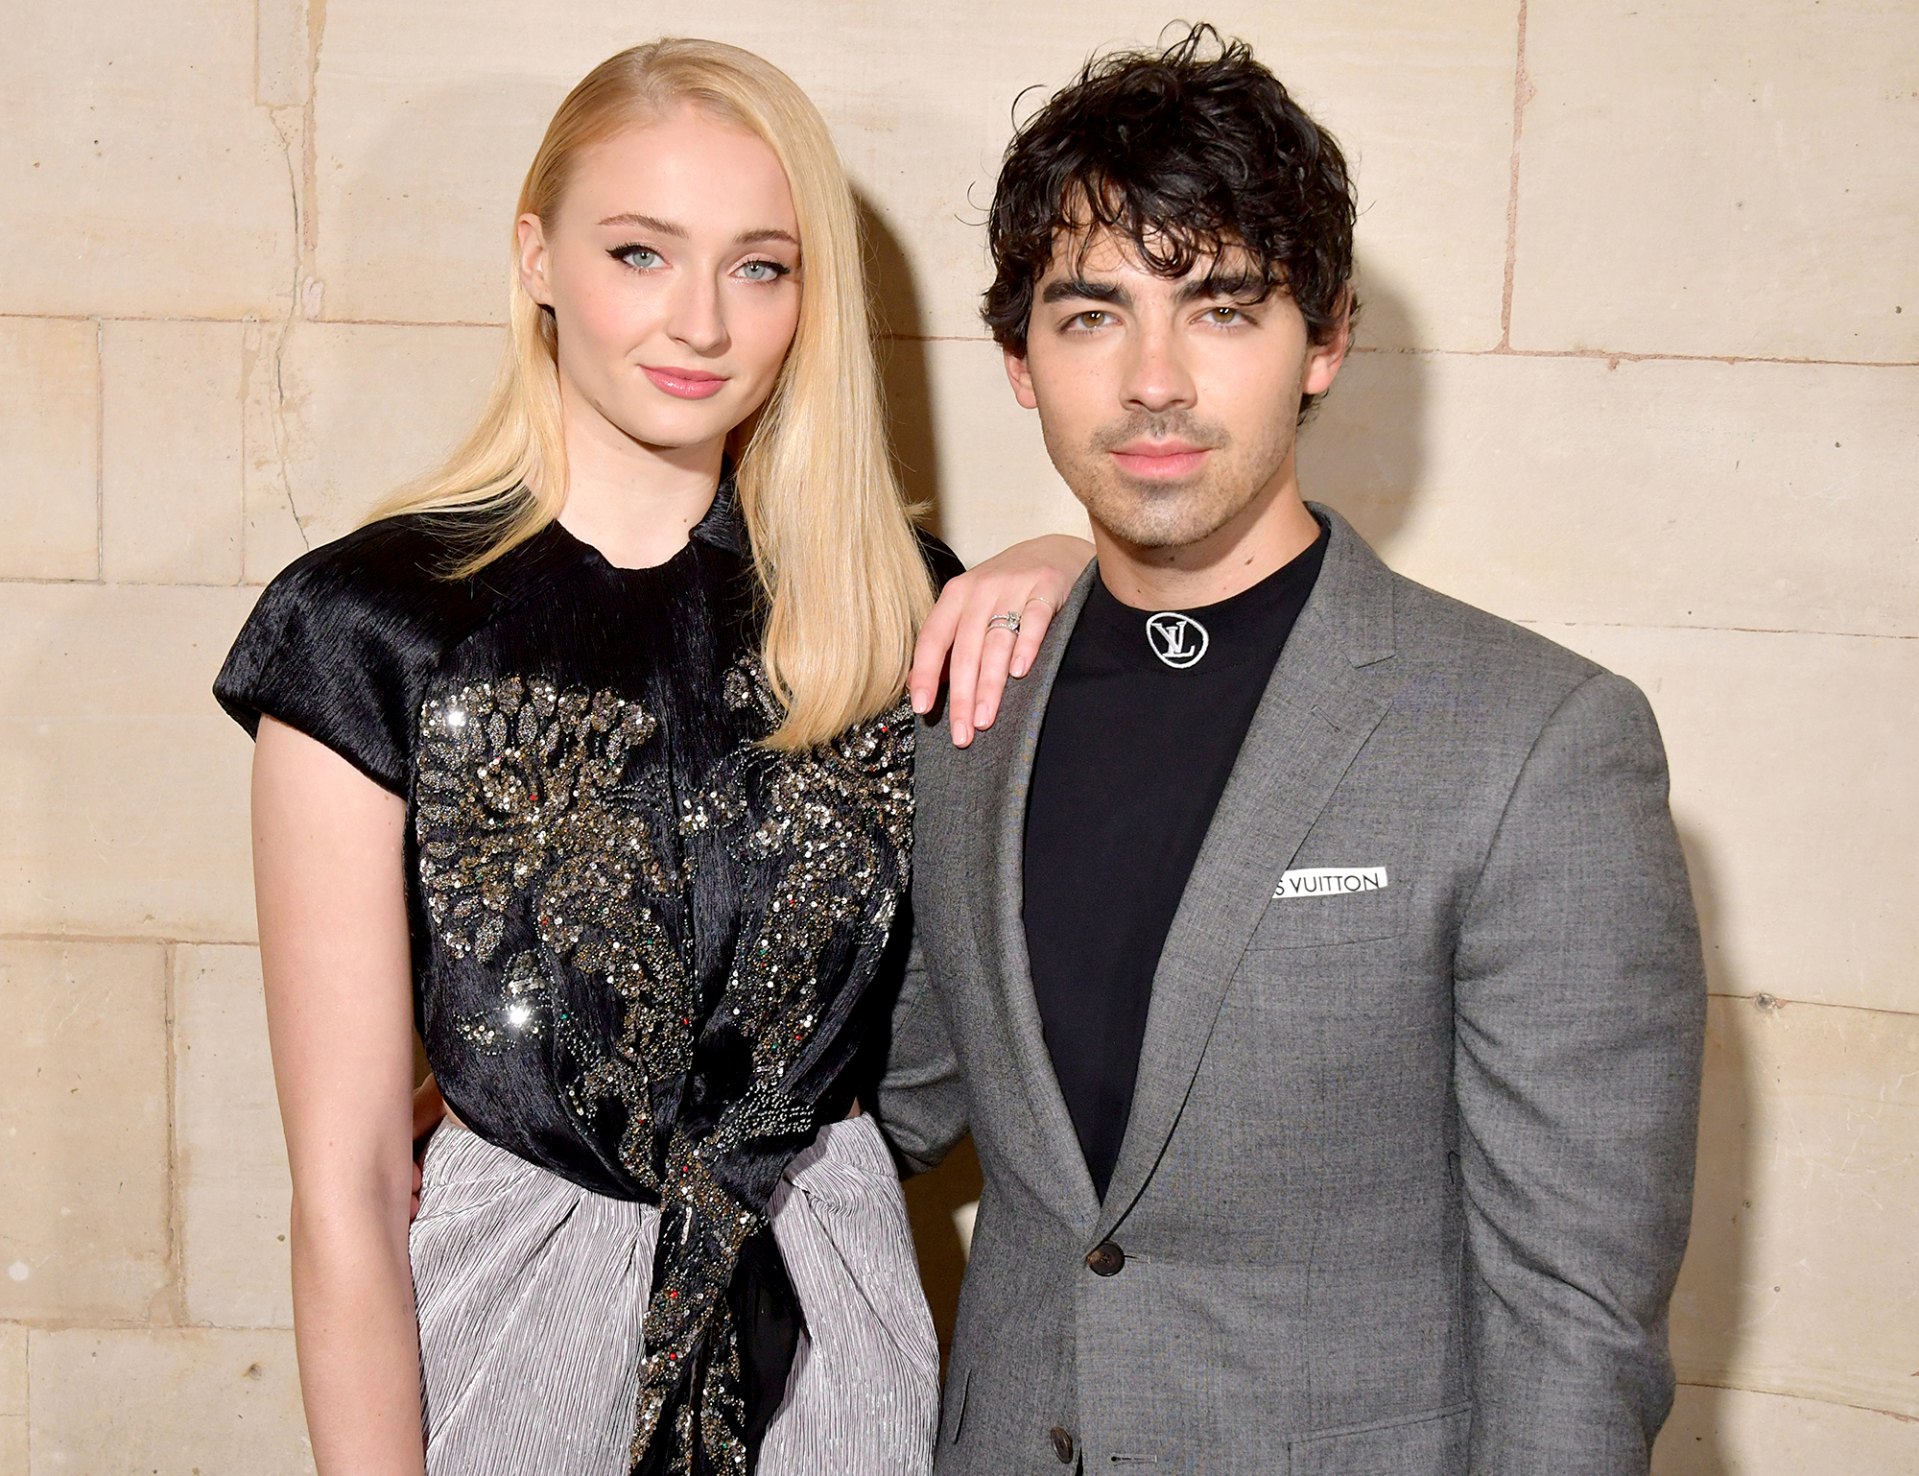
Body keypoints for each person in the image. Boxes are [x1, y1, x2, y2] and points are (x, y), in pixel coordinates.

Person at [214, 39, 1086, 1476]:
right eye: (640, 252)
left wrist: (1062, 561)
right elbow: (349, 1186)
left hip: (830, 1301)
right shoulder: (370, 625)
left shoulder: (895, 607)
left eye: (760, 267)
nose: (702, 322)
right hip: (513, 1313)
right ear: (537, 258)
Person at [877, 26, 1707, 1475]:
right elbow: (878, 1102)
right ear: (1019, 359)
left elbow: (1576, 1330)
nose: (1153, 380)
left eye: (1220, 309)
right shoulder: (966, 707)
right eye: (1092, 314)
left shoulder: (1537, 743)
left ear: (1322, 340)